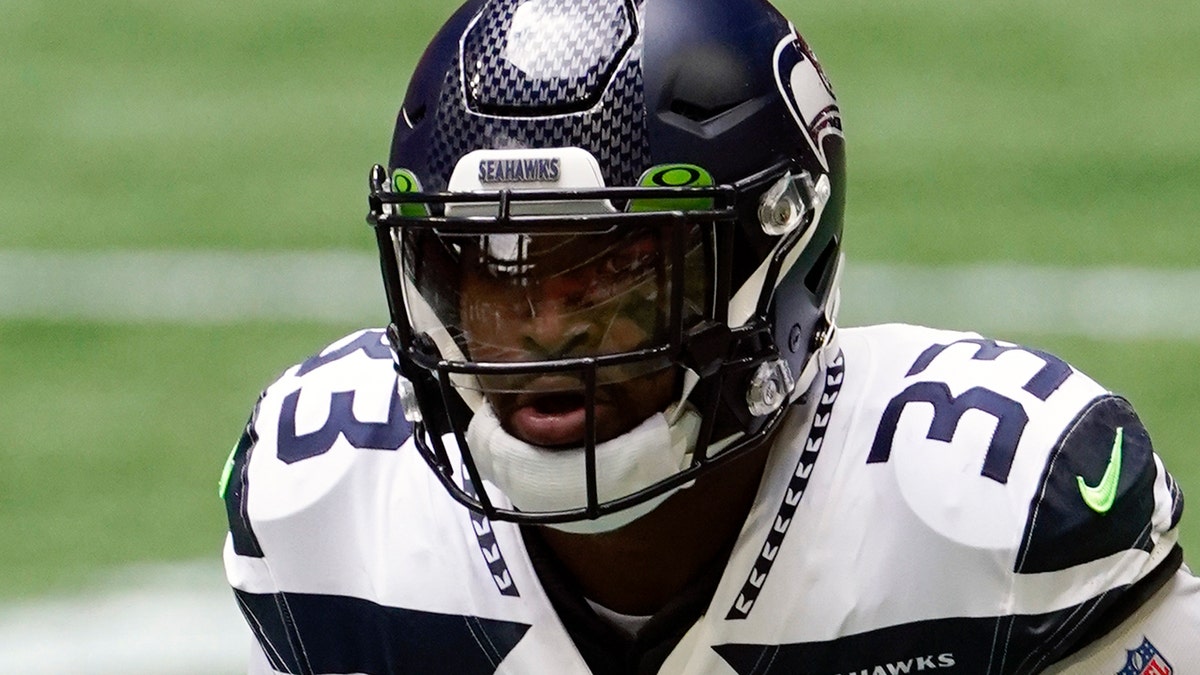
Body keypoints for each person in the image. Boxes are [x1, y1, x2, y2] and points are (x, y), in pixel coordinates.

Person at [221, 0, 1200, 672]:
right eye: (491, 270)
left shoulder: (991, 506)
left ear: (777, 251)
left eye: (612, 268)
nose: (546, 327)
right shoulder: (331, 498)